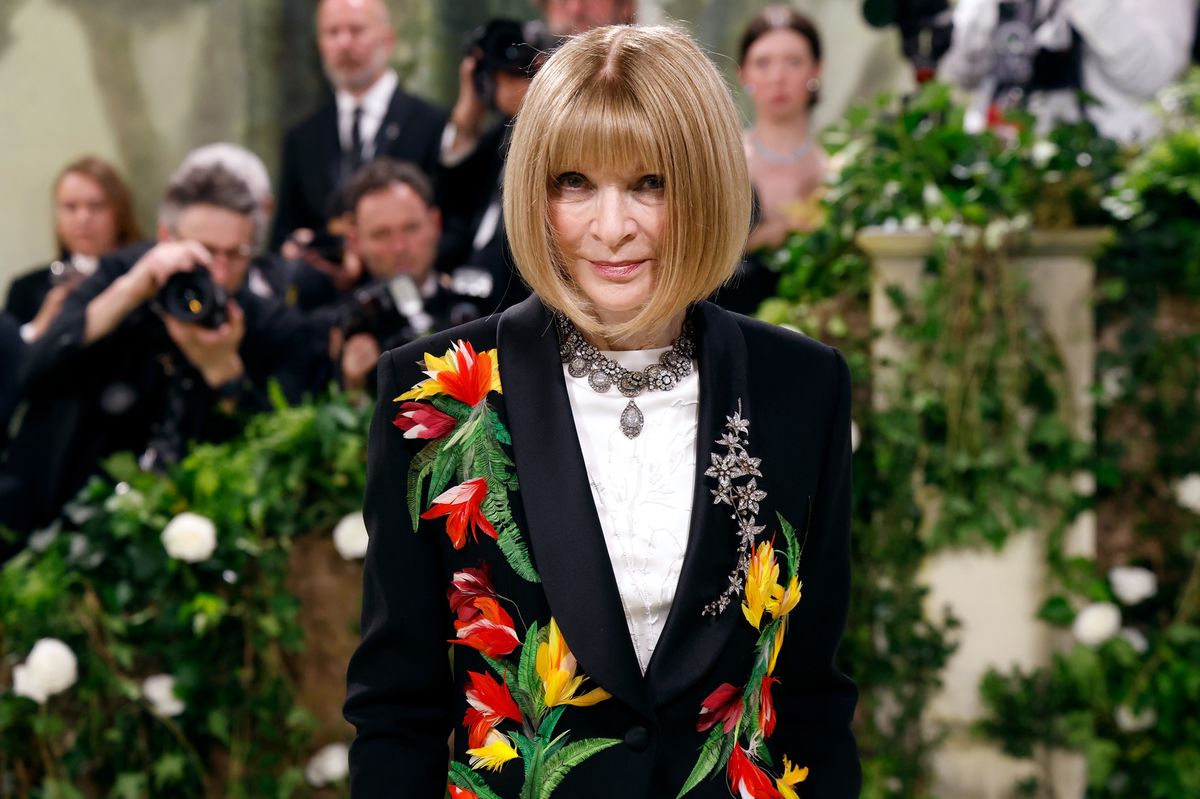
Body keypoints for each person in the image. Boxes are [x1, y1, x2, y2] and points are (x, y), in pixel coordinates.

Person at [344, 24, 860, 799]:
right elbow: (396, 708)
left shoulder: (802, 385)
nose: (612, 227)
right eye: (574, 183)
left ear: (707, 184)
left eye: (650, 183)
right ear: (534, 192)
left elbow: (812, 694)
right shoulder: (435, 391)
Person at [0, 163, 319, 537]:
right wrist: (130, 291)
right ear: (166, 238)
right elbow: (31, 372)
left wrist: (223, 373)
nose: (218, 273)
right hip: (80, 509)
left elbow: (283, 453)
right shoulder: (124, 274)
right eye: (205, 252)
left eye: (235, 254)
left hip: (210, 527)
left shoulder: (273, 325)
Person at [270, 0, 448, 254]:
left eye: (357, 30)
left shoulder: (433, 124)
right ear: (320, 44)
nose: (344, 43)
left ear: (388, 39)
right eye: (333, 32)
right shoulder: (302, 138)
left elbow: (453, 225)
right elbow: (283, 235)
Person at [319, 158, 481, 394]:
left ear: (435, 224)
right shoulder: (338, 328)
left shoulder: (482, 308)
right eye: (381, 234)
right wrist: (351, 387)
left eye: (411, 228)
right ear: (355, 240)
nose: (399, 247)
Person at [938, 0, 1197, 143]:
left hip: (1102, 178)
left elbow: (1152, 76)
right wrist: (978, 27)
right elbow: (962, 77)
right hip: (1002, 177)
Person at [437, 19, 550, 312]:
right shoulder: (498, 134)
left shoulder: (558, 134)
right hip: (468, 300)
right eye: (502, 71)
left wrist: (539, 100)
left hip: (520, 305)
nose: (513, 77)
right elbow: (450, 197)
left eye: (522, 68)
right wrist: (468, 113)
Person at [4, 156, 142, 343]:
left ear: (119, 213)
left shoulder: (147, 272)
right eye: (70, 207)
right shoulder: (26, 290)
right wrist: (36, 329)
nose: (83, 218)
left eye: (96, 206)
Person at [740, 5, 827, 252]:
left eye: (793, 62)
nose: (777, 77)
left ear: (816, 70)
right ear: (743, 74)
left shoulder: (835, 173)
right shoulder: (723, 163)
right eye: (762, 63)